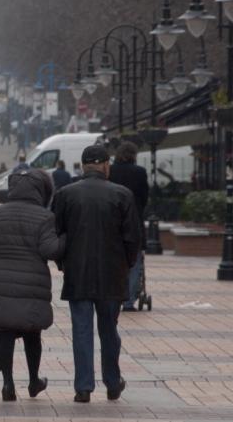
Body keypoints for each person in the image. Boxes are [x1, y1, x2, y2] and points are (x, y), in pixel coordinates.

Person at [53, 145, 140, 403]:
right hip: (112, 274)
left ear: (82, 167)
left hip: (77, 273)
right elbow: (133, 238)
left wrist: (63, 263)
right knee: (108, 330)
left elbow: (56, 234)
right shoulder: (122, 194)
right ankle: (112, 382)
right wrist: (126, 265)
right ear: (105, 165)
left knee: (81, 330)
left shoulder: (65, 194)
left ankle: (83, 387)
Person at [0, 168, 65, 402]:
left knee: (4, 333)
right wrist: (65, 238)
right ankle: (34, 381)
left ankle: (8, 384)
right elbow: (50, 250)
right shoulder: (45, 217)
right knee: (31, 334)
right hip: (32, 284)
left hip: (0, 281)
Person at [108, 142, 149, 312]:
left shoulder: (110, 171)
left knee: (114, 262)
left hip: (112, 224)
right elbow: (145, 197)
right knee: (134, 263)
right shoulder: (139, 172)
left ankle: (114, 296)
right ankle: (129, 301)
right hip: (134, 223)